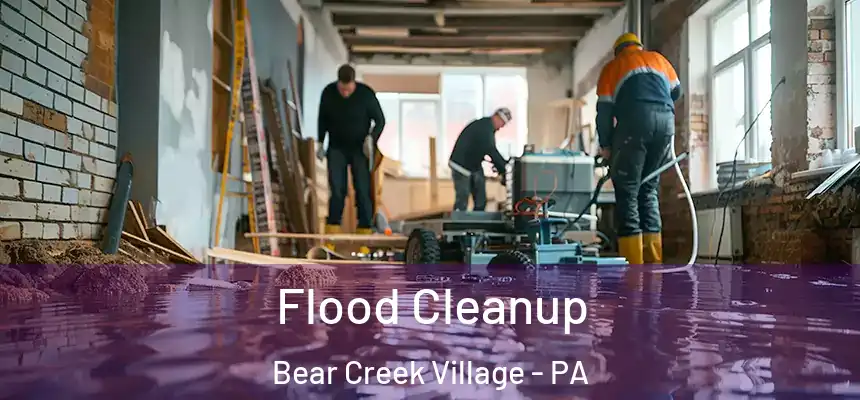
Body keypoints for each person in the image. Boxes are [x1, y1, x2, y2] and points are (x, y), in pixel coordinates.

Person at [595, 32, 682, 265]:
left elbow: (604, 111)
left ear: (618, 51)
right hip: (666, 124)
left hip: (634, 122)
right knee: (649, 189)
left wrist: (606, 146)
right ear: (638, 46)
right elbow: (676, 92)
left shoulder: (613, 67)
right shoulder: (659, 59)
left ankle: (633, 267)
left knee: (628, 191)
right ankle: (654, 264)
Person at [316, 64, 386, 236]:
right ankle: (332, 230)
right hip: (336, 148)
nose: (345, 93)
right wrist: (319, 142)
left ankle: (365, 231)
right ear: (338, 83)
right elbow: (322, 119)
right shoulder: (328, 93)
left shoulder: (366, 94)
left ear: (354, 83)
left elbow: (380, 120)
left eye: (348, 90)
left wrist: (371, 138)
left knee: (362, 190)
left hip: (359, 150)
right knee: (337, 191)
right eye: (342, 90)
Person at [448, 108, 512, 211]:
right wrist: (505, 168)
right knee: (462, 199)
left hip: (473, 165)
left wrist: (502, 167)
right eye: (502, 123)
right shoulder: (485, 128)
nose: (501, 127)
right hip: (461, 165)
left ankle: (477, 221)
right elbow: (491, 150)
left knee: (481, 199)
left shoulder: (486, 127)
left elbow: (486, 150)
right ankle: (459, 223)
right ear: (496, 117)